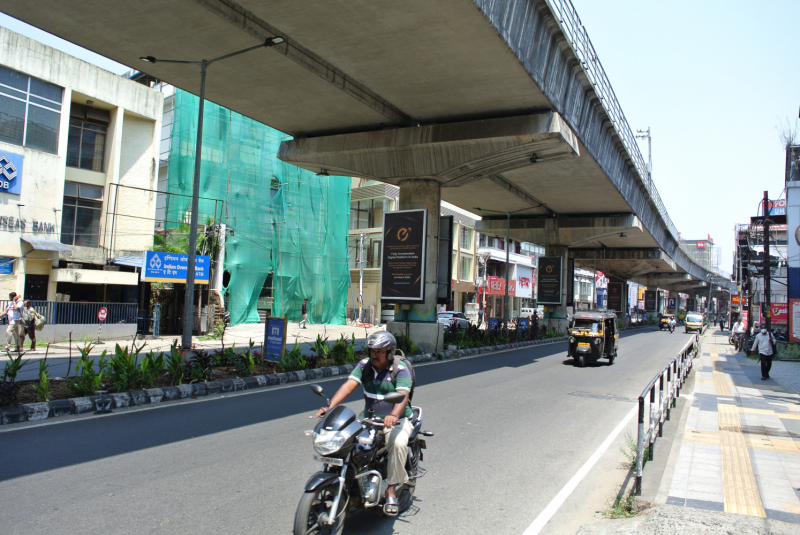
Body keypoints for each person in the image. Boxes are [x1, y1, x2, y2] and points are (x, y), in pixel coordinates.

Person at [311, 331, 413, 517]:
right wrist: (329, 407)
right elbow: (349, 385)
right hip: (369, 419)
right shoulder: (365, 365)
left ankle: (391, 490)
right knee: (347, 442)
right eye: (372, 351)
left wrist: (393, 415)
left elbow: (403, 395)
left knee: (397, 444)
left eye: (379, 351)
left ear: (389, 352)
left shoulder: (400, 368)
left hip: (396, 419)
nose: (374, 354)